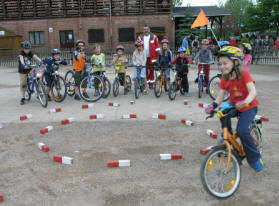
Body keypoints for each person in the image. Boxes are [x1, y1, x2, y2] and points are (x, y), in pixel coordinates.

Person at [205, 46, 263, 172]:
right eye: (220, 63)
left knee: (242, 131)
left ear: (235, 62)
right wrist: (212, 106)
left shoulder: (244, 74)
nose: (222, 66)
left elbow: (253, 91)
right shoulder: (225, 79)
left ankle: (254, 158)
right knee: (222, 112)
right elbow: (220, 98)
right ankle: (228, 137)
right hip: (235, 104)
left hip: (249, 106)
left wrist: (246, 102)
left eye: (225, 63)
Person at [18, 41, 42, 105]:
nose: (27, 50)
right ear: (23, 48)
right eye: (26, 49)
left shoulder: (30, 52)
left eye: (28, 48)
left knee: (37, 78)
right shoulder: (21, 53)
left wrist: (40, 61)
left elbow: (35, 56)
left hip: (30, 68)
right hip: (22, 70)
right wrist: (23, 64)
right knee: (23, 84)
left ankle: (39, 92)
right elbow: (21, 58)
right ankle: (22, 97)